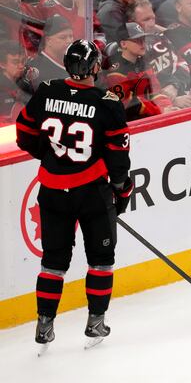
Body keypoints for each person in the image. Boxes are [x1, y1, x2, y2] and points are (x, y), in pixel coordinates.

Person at [15, 39, 132, 350]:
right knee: (101, 259)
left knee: (53, 261)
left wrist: (49, 155)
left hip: (52, 191)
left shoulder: (46, 91)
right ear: (94, 68)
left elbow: (24, 134)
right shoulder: (107, 102)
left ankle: (44, 324)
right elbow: (118, 158)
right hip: (91, 192)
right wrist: (122, 190)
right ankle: (96, 322)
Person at [126, 0, 191, 110]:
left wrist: (174, 86)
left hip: (180, 94)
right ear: (131, 23)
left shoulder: (161, 39)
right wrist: (171, 101)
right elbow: (135, 96)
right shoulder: (130, 51)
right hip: (158, 109)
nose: (152, 24)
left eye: (153, 18)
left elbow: (183, 65)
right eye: (146, 20)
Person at [103, 22, 171, 119]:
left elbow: (155, 92)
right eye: (137, 40)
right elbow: (129, 104)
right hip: (123, 120)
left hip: (148, 115)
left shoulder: (143, 62)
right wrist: (159, 111)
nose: (143, 44)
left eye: (143, 39)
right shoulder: (114, 69)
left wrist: (166, 107)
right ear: (123, 44)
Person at [26, 14, 73, 89]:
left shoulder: (74, 64)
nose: (69, 41)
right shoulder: (36, 69)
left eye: (71, 36)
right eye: (63, 37)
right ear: (48, 40)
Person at [0, 40, 32, 124]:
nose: (21, 66)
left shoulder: (29, 85)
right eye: (15, 62)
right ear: (2, 64)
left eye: (23, 61)